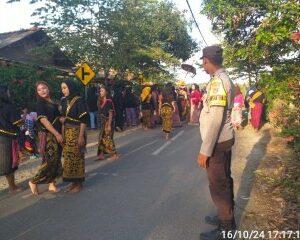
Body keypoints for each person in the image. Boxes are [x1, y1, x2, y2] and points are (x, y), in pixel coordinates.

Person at [197, 46, 236, 240]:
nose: (203, 66)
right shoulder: (221, 79)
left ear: (206, 61)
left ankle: (226, 229)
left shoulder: (218, 83)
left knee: (218, 186)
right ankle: (227, 217)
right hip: (223, 140)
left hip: (217, 143)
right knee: (224, 181)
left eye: (203, 62)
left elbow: (215, 119)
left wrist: (205, 150)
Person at [28, 81, 64, 195]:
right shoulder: (40, 104)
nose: (42, 91)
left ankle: (52, 184)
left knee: (57, 160)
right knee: (49, 161)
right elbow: (44, 121)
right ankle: (34, 181)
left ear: (48, 88)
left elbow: (57, 117)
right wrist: (57, 134)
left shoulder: (52, 101)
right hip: (48, 135)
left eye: (44, 88)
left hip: (56, 133)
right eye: (39, 89)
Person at [61, 80, 88, 193]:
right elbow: (63, 119)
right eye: (62, 88)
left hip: (77, 132)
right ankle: (73, 182)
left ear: (71, 87)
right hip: (67, 133)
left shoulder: (79, 101)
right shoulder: (64, 102)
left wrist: (81, 136)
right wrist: (62, 135)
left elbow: (83, 120)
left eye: (65, 88)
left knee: (77, 157)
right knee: (68, 159)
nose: (63, 90)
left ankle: (79, 184)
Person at [0, 85, 23, 193]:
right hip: (7, 138)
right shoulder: (9, 107)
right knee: (9, 163)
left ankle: (12, 186)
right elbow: (17, 122)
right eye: (8, 92)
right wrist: (23, 118)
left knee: (5, 163)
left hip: (2, 137)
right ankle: (12, 187)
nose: (9, 94)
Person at [97, 86, 119, 161]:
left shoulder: (109, 101)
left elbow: (110, 113)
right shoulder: (100, 101)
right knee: (101, 137)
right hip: (103, 122)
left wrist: (109, 125)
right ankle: (101, 154)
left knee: (108, 138)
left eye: (102, 91)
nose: (100, 92)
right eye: (100, 91)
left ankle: (114, 154)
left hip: (109, 122)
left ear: (106, 92)